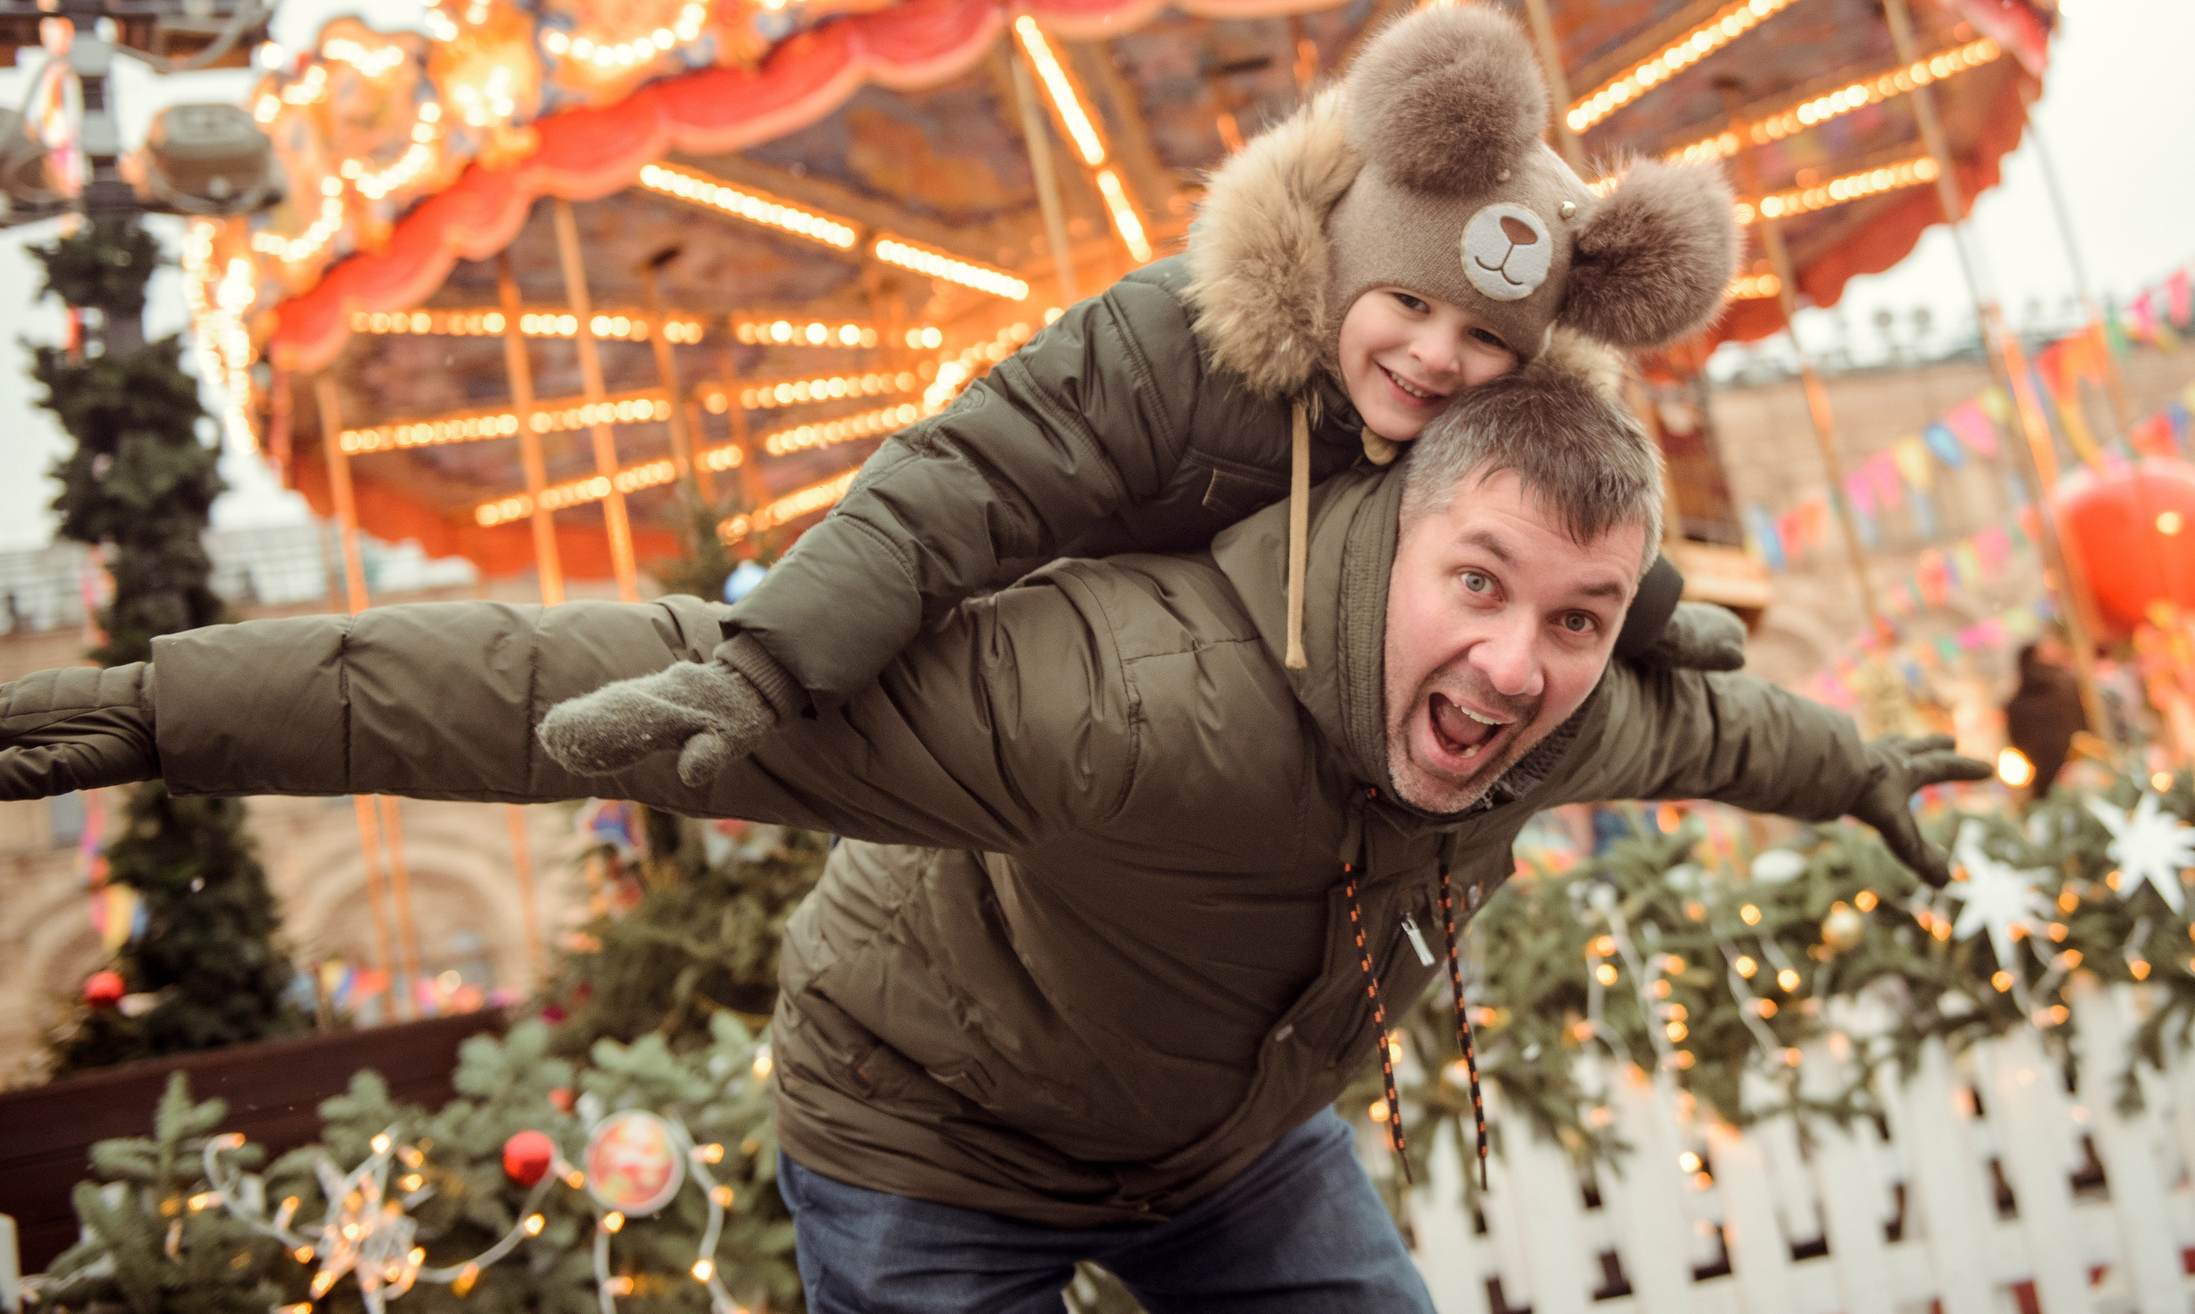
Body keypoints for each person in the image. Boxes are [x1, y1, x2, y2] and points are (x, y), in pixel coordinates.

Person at [2, 370, 1986, 1312]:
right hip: (927, 1122)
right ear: (1390, 533)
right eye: (1476, 580)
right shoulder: (1126, 699)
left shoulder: (1565, 709)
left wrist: (1865, 765)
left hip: (1229, 1148)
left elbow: (1730, 721)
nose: (1515, 658)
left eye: (1572, 614)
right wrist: (170, 704)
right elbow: (605, 662)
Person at [541, 0, 1745, 788]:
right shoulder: (1164, 343)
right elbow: (968, 481)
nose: (1436, 357)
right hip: (1078, 684)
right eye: (1409, 303)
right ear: (1337, 263)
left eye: (1486, 335)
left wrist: (1640, 610)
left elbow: (1551, 548)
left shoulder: (1489, 425)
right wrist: (765, 664)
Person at [2002, 634, 2086, 799]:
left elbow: (2017, 742)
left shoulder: (2015, 704)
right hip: (2078, 767)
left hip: (2044, 777)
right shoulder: (2064, 688)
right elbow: (2083, 725)